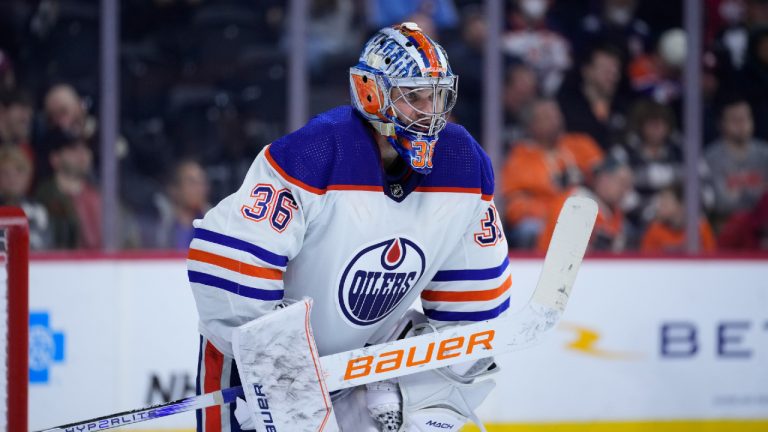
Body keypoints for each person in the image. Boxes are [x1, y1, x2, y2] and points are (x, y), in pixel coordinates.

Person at [188, 23, 511, 432]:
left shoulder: (463, 164)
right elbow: (227, 270)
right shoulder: (317, 152)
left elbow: (473, 308)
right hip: (254, 370)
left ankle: (389, 394)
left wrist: (437, 398)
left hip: (356, 367)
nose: (430, 111)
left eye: (437, 96)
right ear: (372, 93)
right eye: (414, 96)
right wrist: (283, 374)